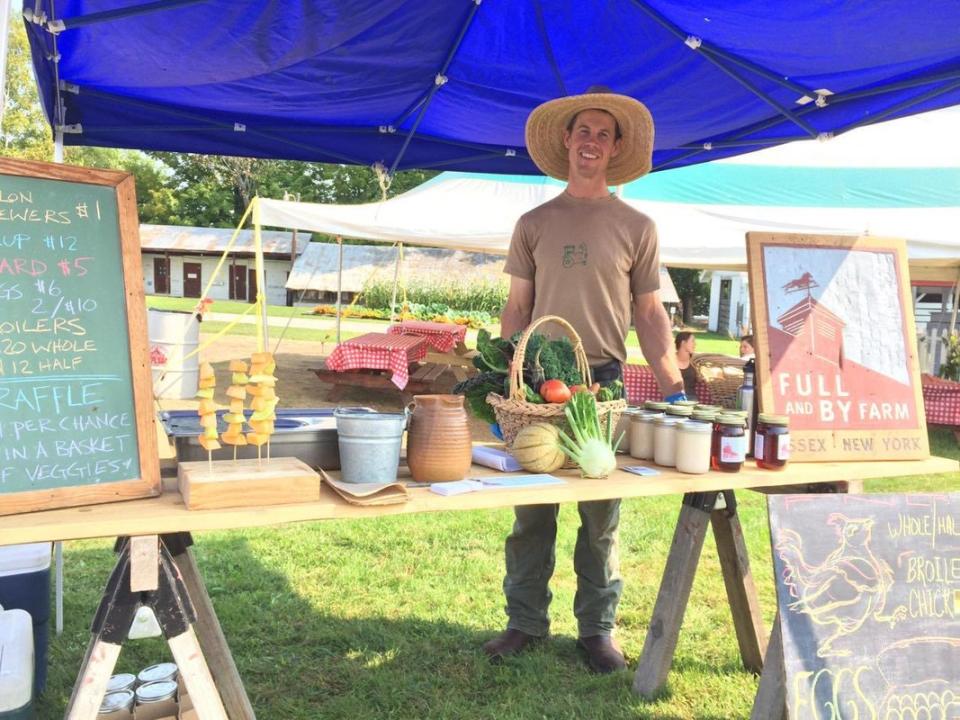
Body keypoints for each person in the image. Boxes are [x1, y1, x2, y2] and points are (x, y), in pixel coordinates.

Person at [484, 86, 685, 674]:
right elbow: (517, 308)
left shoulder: (637, 225)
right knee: (533, 513)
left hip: (603, 382)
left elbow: (649, 314)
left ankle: (597, 631)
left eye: (603, 133)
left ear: (616, 147)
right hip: (541, 380)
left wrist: (674, 387)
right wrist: (507, 374)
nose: (591, 142)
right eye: (583, 132)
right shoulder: (533, 222)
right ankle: (524, 622)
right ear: (567, 142)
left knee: (601, 517)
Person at [675, 331, 698, 398]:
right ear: (683, 343)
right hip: (674, 398)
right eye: (692, 341)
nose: (695, 344)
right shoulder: (670, 360)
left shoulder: (695, 360)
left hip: (691, 399)